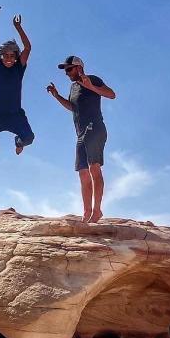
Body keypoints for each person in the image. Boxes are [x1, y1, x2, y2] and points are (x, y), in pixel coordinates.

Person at [47, 55, 116, 223]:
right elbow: (73, 107)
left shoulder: (92, 79)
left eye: (69, 69)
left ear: (78, 67)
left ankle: (97, 211)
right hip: (80, 133)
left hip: (95, 128)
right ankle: (87, 213)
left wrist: (92, 87)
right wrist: (57, 96)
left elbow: (111, 94)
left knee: (94, 168)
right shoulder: (73, 87)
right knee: (83, 173)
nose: (66, 73)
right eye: (65, 70)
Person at [0, 3, 34, 155]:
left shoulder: (19, 67)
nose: (8, 59)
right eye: (5, 56)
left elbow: (28, 48)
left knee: (29, 138)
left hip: (15, 115)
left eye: (12, 56)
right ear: (1, 55)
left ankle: (18, 142)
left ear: (16, 58)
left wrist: (18, 27)